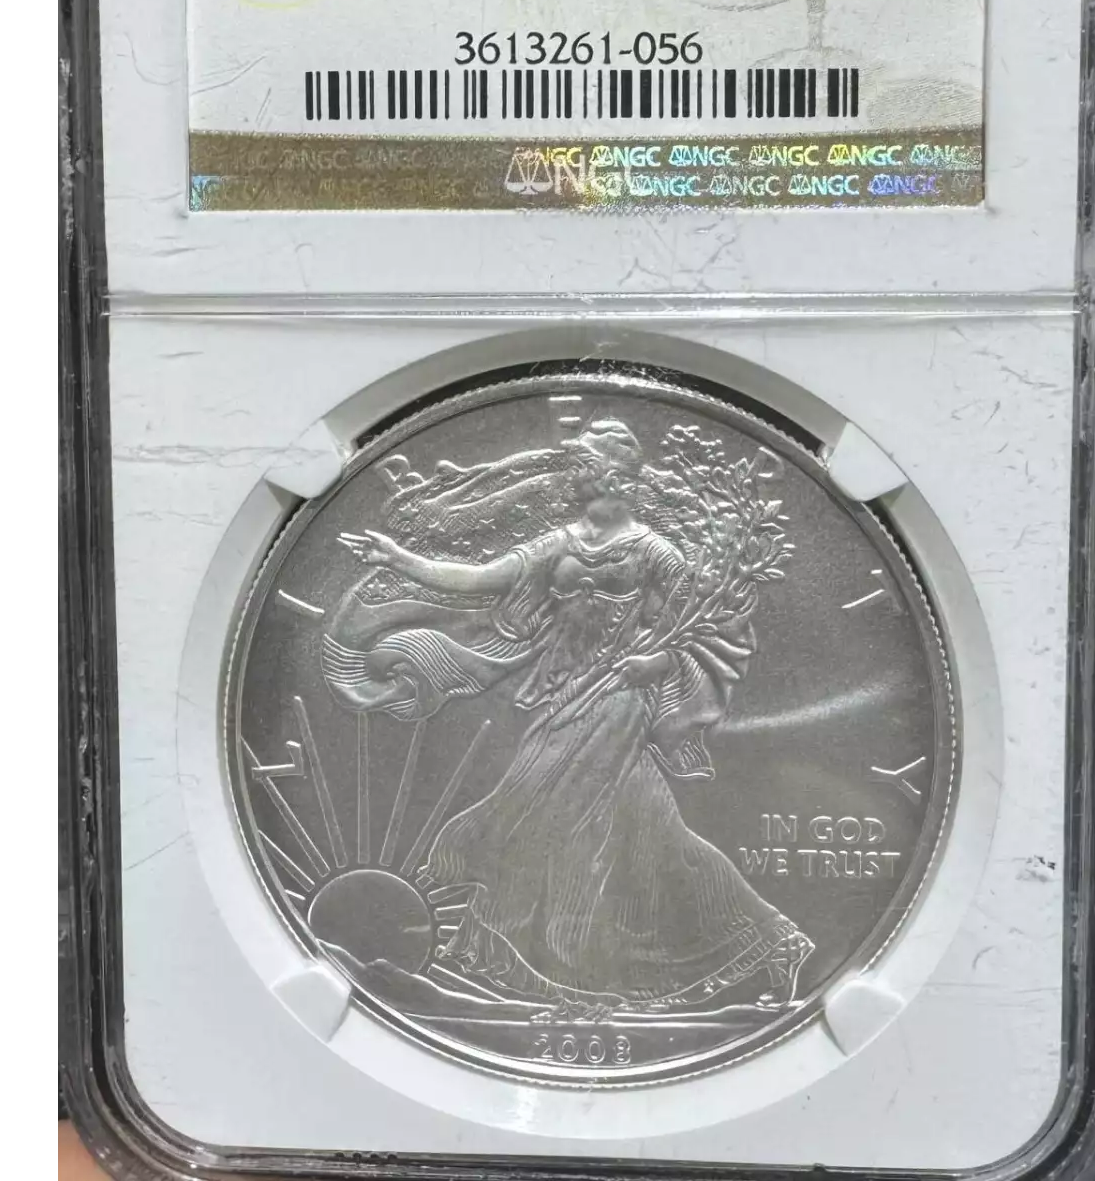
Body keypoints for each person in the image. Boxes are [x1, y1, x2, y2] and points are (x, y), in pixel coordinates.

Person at [330, 423, 812, 1021]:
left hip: (618, 702)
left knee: (542, 817)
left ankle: (579, 982)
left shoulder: (656, 554)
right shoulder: (558, 544)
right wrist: (403, 561)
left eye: (582, 464)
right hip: (563, 697)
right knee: (652, 839)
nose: (572, 473)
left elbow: (716, 632)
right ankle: (770, 943)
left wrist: (659, 662)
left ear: (611, 477)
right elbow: (482, 581)